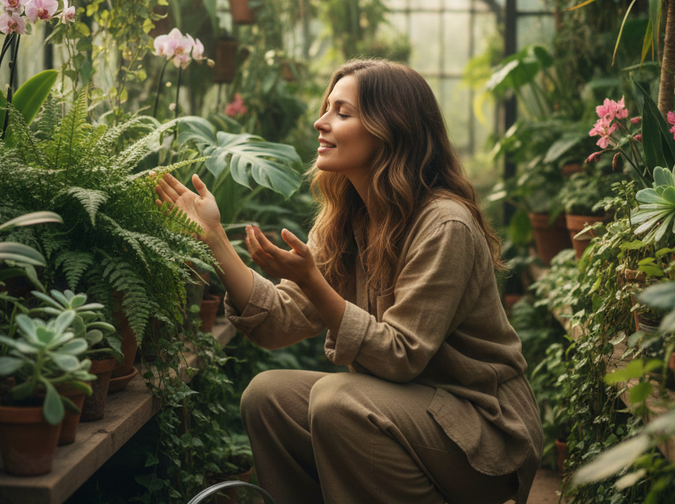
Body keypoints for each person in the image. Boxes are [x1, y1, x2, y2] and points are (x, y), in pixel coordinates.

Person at [154, 59, 542, 504]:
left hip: (482, 432)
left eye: (342, 112)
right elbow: (278, 322)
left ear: (389, 129)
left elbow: (401, 355)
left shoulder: (444, 226)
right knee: (267, 396)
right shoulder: (349, 218)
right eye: (327, 108)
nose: (321, 122)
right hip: (404, 410)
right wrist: (215, 239)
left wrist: (313, 280)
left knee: (339, 402)